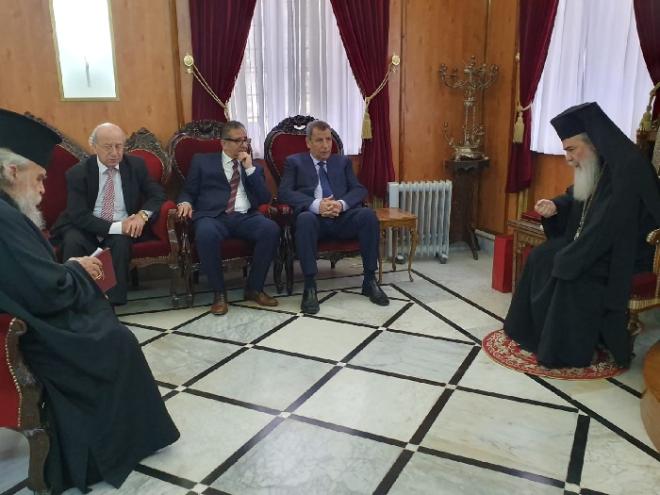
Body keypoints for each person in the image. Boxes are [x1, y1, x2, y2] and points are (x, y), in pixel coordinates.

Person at [0, 109, 179, 494]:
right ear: (13, 172)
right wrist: (77, 270)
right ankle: (112, 449)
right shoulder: (5, 218)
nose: (44, 190)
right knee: (118, 340)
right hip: (37, 328)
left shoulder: (7, 210)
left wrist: (68, 270)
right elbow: (47, 289)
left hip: (32, 311)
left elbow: (33, 277)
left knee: (115, 330)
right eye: (40, 178)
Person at [504, 102, 660, 368]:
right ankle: (534, 334)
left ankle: (564, 350)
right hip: (598, 243)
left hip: (627, 255)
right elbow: (578, 196)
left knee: (568, 267)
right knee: (542, 256)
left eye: (571, 149)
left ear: (594, 143)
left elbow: (611, 226)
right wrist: (556, 206)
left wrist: (574, 255)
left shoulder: (628, 167)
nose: (568, 158)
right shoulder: (601, 162)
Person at [278, 120, 389, 314]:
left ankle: (369, 280)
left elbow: (358, 189)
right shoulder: (294, 162)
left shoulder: (342, 162)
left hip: (341, 218)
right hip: (314, 221)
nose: (326, 145)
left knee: (368, 216)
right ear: (308, 143)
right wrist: (316, 205)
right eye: (319, 140)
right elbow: (284, 193)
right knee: (304, 219)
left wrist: (341, 204)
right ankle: (310, 286)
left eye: (328, 139)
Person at [50, 122, 166, 305]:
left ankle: (112, 303)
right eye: (108, 147)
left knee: (121, 242)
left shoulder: (135, 166)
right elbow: (78, 215)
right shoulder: (78, 173)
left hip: (122, 227)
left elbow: (157, 194)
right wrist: (119, 227)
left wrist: (142, 216)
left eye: (119, 146)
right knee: (72, 240)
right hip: (85, 226)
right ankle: (74, 300)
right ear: (94, 146)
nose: (114, 152)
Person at [177, 120, 280, 315]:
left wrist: (249, 169)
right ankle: (219, 294)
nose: (243, 145)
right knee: (205, 233)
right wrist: (185, 202)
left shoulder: (253, 166)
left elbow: (263, 198)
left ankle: (254, 288)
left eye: (246, 140)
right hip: (213, 216)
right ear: (223, 143)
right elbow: (188, 191)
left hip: (245, 216)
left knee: (270, 229)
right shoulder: (202, 161)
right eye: (238, 140)